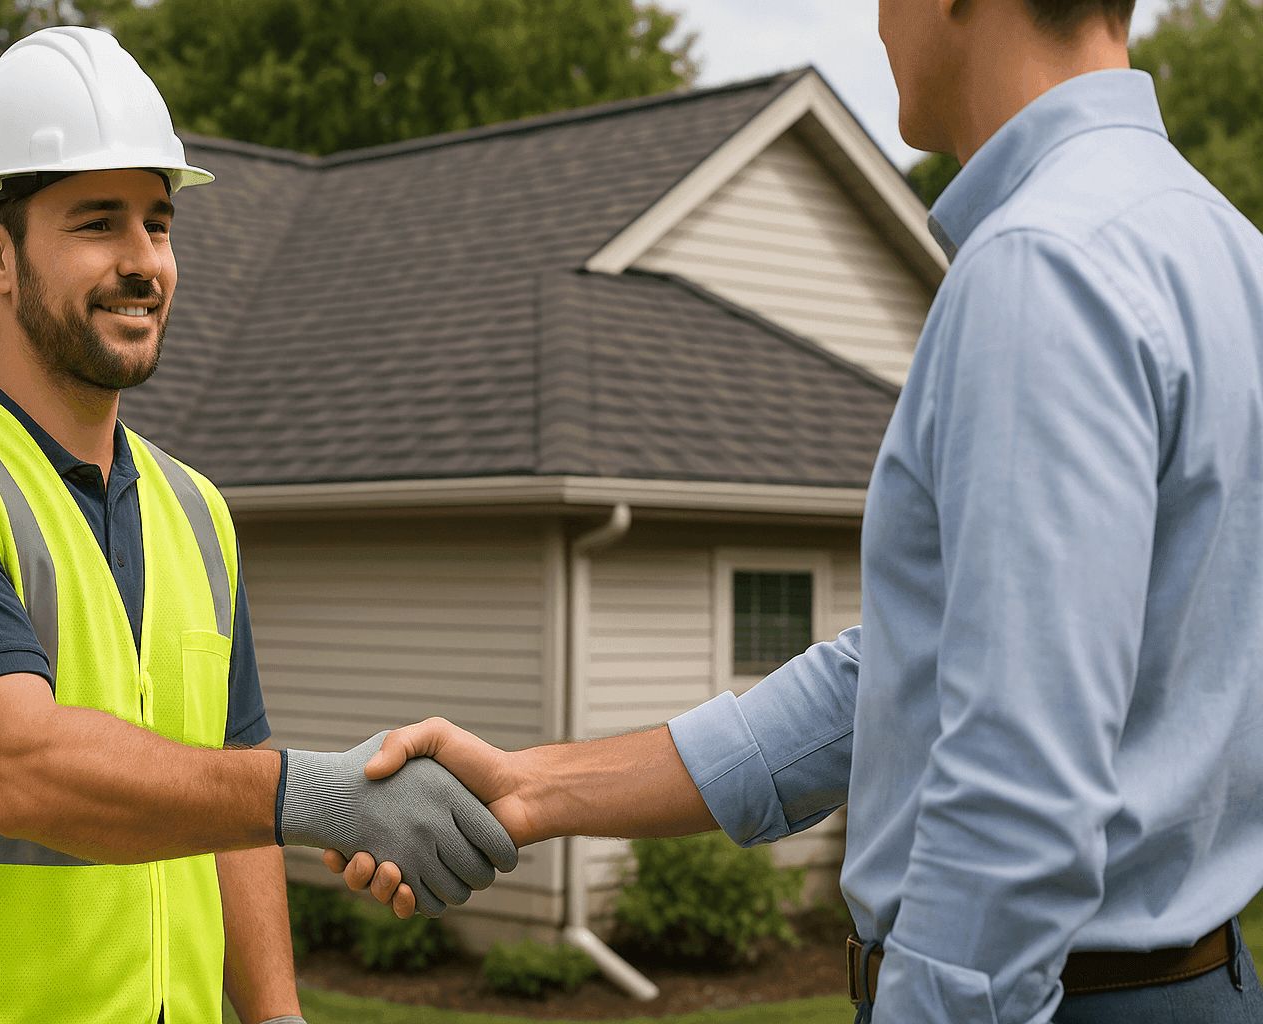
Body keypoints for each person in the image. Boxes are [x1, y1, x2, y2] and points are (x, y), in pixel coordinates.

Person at [330, 1, 1263, 1022]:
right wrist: (534, 786)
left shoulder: (1043, 262)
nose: (876, 23)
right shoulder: (1226, 251)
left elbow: (1017, 785)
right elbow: (923, 666)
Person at [0, 27, 514, 1024]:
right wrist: (317, 792)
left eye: (160, 222)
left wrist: (277, 1018)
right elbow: (29, 770)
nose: (146, 262)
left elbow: (228, 806)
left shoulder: (196, 510)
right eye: (99, 224)